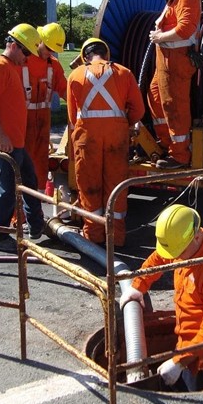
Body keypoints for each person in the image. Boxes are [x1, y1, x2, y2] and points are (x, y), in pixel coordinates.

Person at [120, 204, 203, 391]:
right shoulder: (185, 247)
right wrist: (138, 286)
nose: (174, 258)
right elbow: (159, 258)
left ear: (197, 237)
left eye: (178, 254)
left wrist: (179, 361)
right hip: (186, 351)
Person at [66, 38, 145, 247]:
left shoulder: (75, 75)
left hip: (87, 138)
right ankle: (116, 237)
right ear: (106, 54)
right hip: (116, 138)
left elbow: (73, 116)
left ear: (85, 57)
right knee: (116, 186)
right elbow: (139, 110)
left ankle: (93, 236)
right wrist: (121, 124)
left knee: (89, 186)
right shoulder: (124, 73)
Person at [0, 23, 46, 253]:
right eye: (26, 52)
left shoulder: (10, 66)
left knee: (29, 180)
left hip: (14, 141)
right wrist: (1, 135)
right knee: (8, 188)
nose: (27, 58)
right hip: (5, 142)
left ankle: (36, 225)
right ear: (13, 46)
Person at [145, 0, 202, 169]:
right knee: (155, 97)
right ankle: (167, 145)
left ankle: (179, 155)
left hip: (177, 64)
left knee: (174, 106)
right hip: (166, 63)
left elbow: (186, 28)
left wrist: (160, 37)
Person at [21, 22, 68, 192]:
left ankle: (37, 204)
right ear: (38, 40)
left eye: (52, 50)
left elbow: (65, 90)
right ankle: (17, 214)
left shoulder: (53, 65)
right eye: (47, 47)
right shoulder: (22, 61)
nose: (49, 52)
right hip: (22, 124)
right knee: (20, 166)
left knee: (40, 162)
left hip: (42, 124)